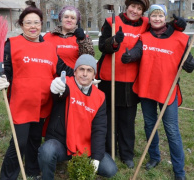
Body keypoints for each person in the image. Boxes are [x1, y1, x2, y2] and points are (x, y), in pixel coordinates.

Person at [97, 0, 187, 169]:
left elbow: (162, 27)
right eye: (133, 6)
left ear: (143, 12)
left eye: (139, 8)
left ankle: (127, 153)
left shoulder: (146, 23)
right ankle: (110, 152)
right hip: (110, 77)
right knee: (109, 117)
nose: (135, 11)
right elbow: (102, 45)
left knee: (128, 119)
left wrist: (178, 25)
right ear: (127, 6)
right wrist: (115, 41)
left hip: (132, 79)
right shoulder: (112, 21)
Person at [0, 5, 74, 180]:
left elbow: (63, 69)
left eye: (36, 23)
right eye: (28, 22)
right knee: (19, 143)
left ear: (41, 24)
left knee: (35, 139)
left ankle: (31, 170)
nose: (33, 26)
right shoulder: (12, 44)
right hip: (20, 104)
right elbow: (5, 70)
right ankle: (7, 177)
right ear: (21, 25)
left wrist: (86, 74)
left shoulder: (50, 48)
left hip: (42, 103)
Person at [121, 4, 194, 180]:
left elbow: (188, 64)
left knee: (172, 130)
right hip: (147, 89)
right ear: (150, 17)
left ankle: (179, 170)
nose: (157, 19)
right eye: (153, 15)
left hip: (167, 91)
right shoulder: (144, 37)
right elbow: (138, 51)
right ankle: (154, 157)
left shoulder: (179, 38)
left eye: (160, 15)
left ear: (165, 18)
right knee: (149, 125)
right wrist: (129, 56)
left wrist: (190, 64)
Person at [38, 54, 118, 180]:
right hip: (62, 143)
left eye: (89, 70)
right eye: (81, 69)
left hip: (86, 147)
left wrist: (96, 159)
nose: (85, 74)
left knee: (110, 170)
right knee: (47, 151)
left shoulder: (100, 97)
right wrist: (56, 88)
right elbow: (60, 94)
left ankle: (81, 162)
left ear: (94, 75)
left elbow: (99, 129)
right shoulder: (67, 85)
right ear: (75, 72)